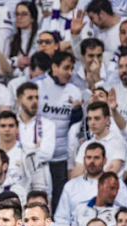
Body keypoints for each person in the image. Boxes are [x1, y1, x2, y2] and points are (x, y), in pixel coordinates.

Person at [36, 51, 83, 210]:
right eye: (66, 68)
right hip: (40, 156)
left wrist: (77, 112)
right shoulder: (38, 87)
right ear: (54, 67)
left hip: (62, 158)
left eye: (72, 69)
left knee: (59, 200)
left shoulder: (74, 91)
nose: (69, 73)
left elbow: (76, 127)